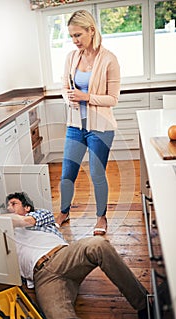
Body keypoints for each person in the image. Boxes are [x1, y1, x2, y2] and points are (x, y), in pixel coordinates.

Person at [0, 191, 152, 319]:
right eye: (7, 205)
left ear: (27, 207)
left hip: (63, 257)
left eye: (13, 203)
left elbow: (21, 221)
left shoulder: (39, 216)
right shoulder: (3, 233)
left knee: (97, 244)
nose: (9, 207)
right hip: (43, 278)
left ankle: (144, 305)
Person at [56, 10, 120, 236]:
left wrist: (86, 97)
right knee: (67, 174)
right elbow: (64, 88)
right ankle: (64, 212)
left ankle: (101, 218)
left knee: (96, 174)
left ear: (91, 30)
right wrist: (69, 97)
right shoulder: (71, 58)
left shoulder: (109, 59)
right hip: (75, 126)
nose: (74, 41)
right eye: (72, 36)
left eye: (78, 35)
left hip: (100, 128)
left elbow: (113, 98)